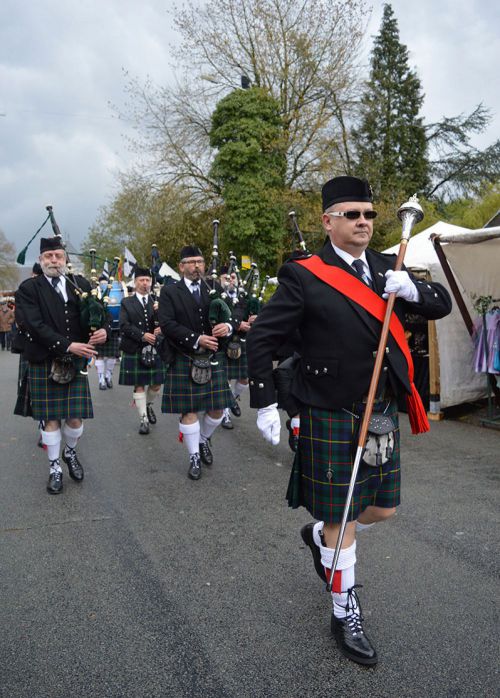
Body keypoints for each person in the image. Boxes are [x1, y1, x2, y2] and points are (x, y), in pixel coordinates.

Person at [246, 176, 452, 666]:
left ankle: (319, 539)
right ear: (328, 221)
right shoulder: (304, 274)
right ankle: (344, 609)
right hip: (330, 410)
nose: (363, 222)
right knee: (342, 517)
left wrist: (414, 293)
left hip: (380, 411)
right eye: (352, 214)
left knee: (382, 510)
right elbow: (262, 340)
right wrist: (266, 401)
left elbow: (442, 304)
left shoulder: (389, 265)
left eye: (369, 214)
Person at [14, 236, 108, 494]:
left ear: (66, 259)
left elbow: (97, 313)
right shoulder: (28, 289)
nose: (53, 260)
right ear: (41, 260)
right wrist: (68, 345)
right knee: (51, 418)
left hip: (75, 362)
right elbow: (35, 325)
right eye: (48, 256)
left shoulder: (81, 284)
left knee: (75, 419)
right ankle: (55, 466)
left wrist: (102, 330)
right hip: (45, 359)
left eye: (58, 256)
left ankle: (70, 452)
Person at [158, 245, 234, 480]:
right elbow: (167, 324)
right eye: (191, 262)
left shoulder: (214, 287)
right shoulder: (170, 292)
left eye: (200, 262)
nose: (196, 266)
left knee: (218, 410)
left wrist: (228, 325)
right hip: (185, 356)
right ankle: (193, 456)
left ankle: (203, 440)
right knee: (189, 410)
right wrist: (197, 338)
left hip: (212, 358)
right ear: (181, 267)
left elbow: (234, 312)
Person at [118, 267, 167, 435]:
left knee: (156, 384)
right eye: (141, 280)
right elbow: (123, 325)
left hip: (156, 348)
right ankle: (143, 419)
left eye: (147, 280)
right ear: (135, 282)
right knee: (139, 384)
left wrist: (161, 323)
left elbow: (168, 323)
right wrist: (142, 335)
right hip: (135, 347)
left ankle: (147, 405)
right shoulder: (127, 302)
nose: (144, 283)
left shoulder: (158, 301)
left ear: (151, 282)